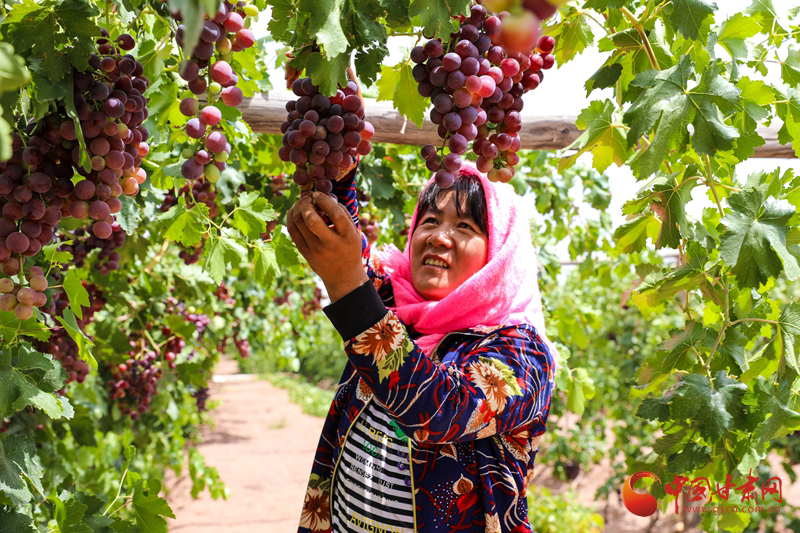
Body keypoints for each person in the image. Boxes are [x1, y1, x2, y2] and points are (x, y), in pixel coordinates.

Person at [287, 158, 559, 533]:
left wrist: (348, 285)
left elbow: (442, 409)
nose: (439, 236)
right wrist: (339, 164)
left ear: (500, 252)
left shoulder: (524, 355)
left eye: (464, 226)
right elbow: (339, 237)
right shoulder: (397, 301)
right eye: (430, 221)